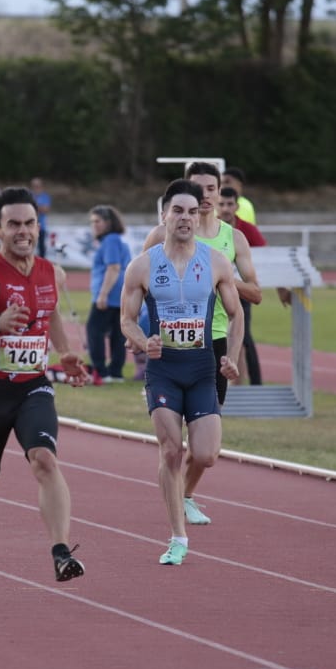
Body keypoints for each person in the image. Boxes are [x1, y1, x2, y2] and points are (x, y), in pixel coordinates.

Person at [0, 185, 88, 581]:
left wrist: (64, 352)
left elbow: (52, 311)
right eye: (13, 224)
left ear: (38, 226)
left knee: (44, 460)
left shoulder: (52, 273)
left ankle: (61, 552)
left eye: (29, 223)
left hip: (32, 387)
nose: (22, 231)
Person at [121, 180, 243, 566]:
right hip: (164, 372)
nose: (186, 218)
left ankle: (186, 498)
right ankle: (178, 537)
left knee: (206, 454)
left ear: (200, 215)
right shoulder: (143, 265)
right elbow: (126, 320)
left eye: (193, 211)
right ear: (164, 215)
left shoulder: (216, 262)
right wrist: (143, 343)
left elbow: (237, 314)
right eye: (178, 210)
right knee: (171, 450)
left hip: (203, 368)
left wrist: (232, 357)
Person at [141, 161, 262, 525]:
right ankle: (178, 498)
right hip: (172, 348)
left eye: (212, 188)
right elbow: (141, 284)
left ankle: (186, 493)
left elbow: (255, 294)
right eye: (198, 188)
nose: (206, 195)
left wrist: (216, 274)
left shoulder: (232, 239)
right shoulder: (161, 234)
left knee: (205, 446)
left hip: (216, 342)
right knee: (174, 444)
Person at [218, 185, 266, 385]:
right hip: (215, 295)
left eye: (230, 204)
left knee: (244, 338)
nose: (226, 208)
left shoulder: (245, 231)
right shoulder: (210, 230)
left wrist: (281, 288)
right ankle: (230, 383)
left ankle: (254, 383)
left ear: (237, 206)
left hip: (239, 291)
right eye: (222, 204)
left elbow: (267, 255)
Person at [86, 204, 133, 383]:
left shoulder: (110, 241)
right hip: (120, 294)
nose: (94, 225)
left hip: (109, 294)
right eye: (92, 222)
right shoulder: (118, 240)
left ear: (108, 222)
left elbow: (113, 267)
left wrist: (103, 294)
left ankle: (101, 371)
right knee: (117, 333)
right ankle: (116, 373)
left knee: (94, 330)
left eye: (97, 221)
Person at [31, 177, 52, 258]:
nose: (36, 188)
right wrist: (39, 208)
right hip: (30, 226)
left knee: (41, 247)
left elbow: (46, 209)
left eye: (37, 186)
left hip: (41, 226)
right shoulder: (30, 195)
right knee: (28, 246)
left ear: (41, 186)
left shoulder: (45, 196)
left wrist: (34, 207)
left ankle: (42, 265)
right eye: (34, 186)